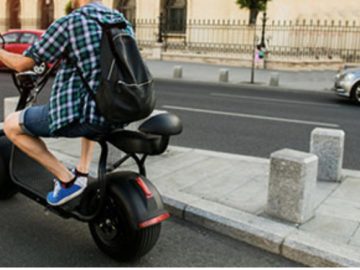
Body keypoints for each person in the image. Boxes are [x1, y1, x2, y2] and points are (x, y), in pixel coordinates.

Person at [0, 0, 133, 206]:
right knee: (89, 100)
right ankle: (82, 170)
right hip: (116, 109)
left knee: (11, 125)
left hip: (86, 115)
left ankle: (67, 181)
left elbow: (21, 64)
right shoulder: (119, 21)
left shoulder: (70, 23)